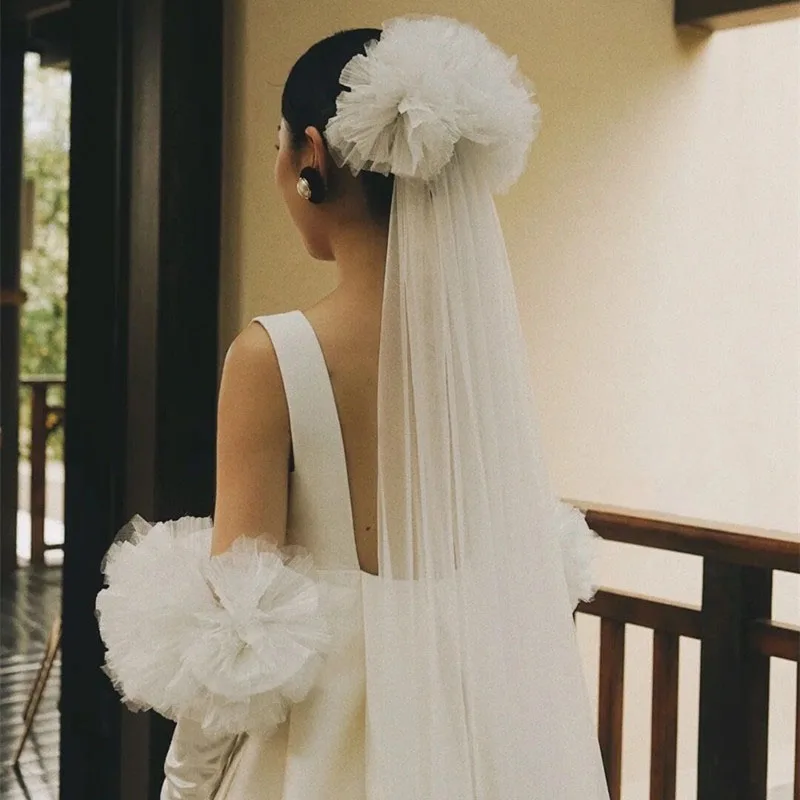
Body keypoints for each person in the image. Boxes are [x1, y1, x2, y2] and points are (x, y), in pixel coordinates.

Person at [96, 16, 611, 799]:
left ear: (311, 154)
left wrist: (184, 786)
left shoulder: (271, 356)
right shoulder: (475, 355)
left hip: (316, 756)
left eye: (278, 144)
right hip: (464, 743)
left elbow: (237, 626)